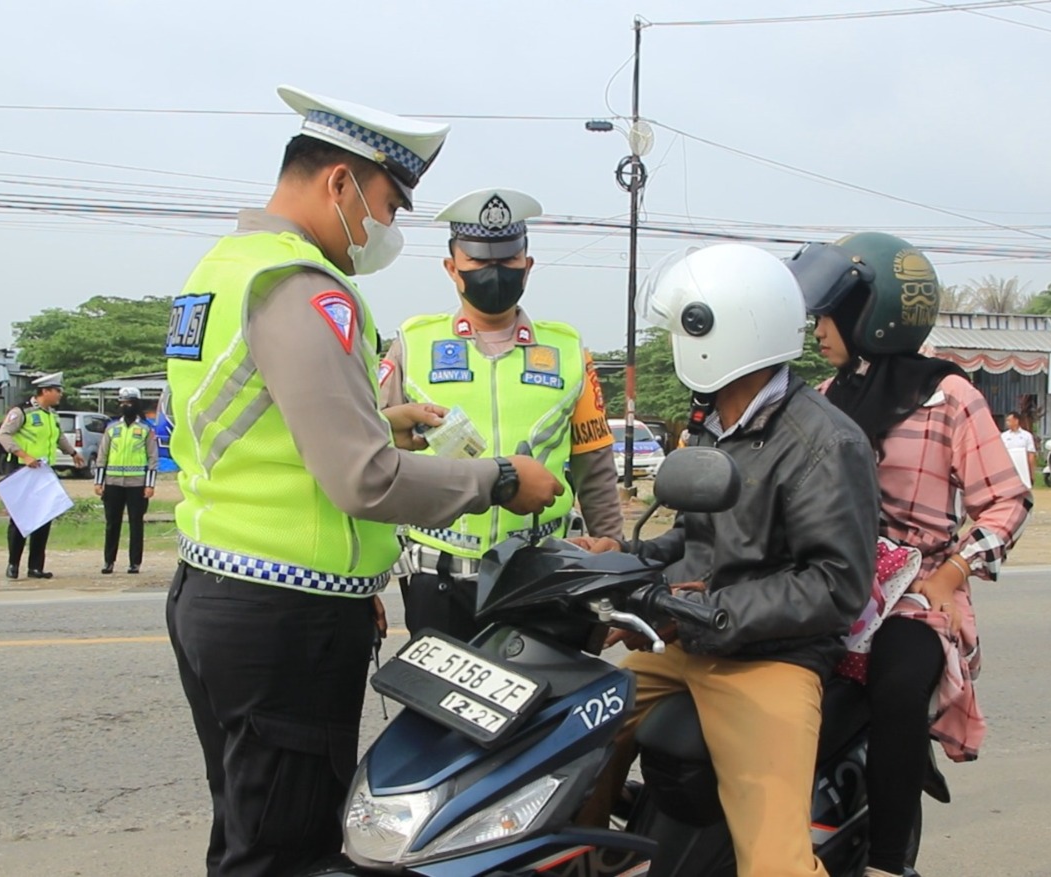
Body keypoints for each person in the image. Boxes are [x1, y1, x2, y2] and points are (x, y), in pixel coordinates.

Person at [163, 85, 563, 877]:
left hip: (220, 586)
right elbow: (364, 480)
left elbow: (272, 439)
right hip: (284, 621)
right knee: (288, 851)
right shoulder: (301, 287)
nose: (388, 227)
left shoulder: (223, 270)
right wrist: (500, 479)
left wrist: (386, 422)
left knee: (248, 827)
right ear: (340, 184)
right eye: (388, 202)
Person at [577, 243, 880, 876]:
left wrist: (707, 612)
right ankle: (588, 854)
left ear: (713, 333)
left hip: (769, 659)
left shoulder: (825, 442)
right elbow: (691, 540)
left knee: (775, 862)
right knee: (567, 739)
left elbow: (836, 585)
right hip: (688, 640)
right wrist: (620, 559)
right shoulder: (713, 424)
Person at [787, 232, 1032, 877]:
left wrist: (953, 572)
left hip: (917, 592)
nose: (818, 329)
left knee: (897, 691)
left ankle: (890, 864)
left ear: (875, 315)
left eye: (830, 315)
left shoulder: (950, 396)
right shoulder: (822, 398)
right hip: (834, 582)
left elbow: (1007, 501)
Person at [380, 187, 622, 640]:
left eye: (508, 261)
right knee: (441, 709)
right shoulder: (413, 344)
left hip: (543, 573)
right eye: (479, 262)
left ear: (527, 267)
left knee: (547, 707)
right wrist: (365, 583)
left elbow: (595, 467)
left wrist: (614, 552)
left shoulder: (568, 350)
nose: (495, 272)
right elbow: (367, 456)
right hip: (441, 577)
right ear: (453, 268)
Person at [0, 372, 84, 579]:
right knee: (20, 519)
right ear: (45, 391)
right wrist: (24, 455)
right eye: (57, 391)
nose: (60, 395)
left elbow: (58, 437)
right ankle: (13, 564)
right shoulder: (21, 412)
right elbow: (3, 435)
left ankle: (35, 566)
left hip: (44, 471)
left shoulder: (51, 415)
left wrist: (72, 453)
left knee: (44, 516)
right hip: (22, 470)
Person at [95, 386, 158, 574]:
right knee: (112, 523)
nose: (125, 406)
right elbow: (102, 456)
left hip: (137, 484)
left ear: (136, 404)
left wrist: (150, 485)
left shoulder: (146, 429)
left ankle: (135, 562)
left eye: (129, 402)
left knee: (136, 524)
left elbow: (153, 458)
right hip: (113, 483)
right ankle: (109, 561)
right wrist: (99, 482)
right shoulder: (112, 428)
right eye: (122, 402)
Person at [1000, 410, 1037, 487]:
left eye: (1009, 420)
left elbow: (1031, 455)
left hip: (1022, 468)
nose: (1007, 423)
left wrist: (1032, 474)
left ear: (1016, 421)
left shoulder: (1027, 436)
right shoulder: (1003, 436)